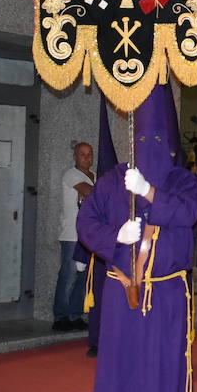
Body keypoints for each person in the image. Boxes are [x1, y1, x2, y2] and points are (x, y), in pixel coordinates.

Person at [78, 83, 197, 392]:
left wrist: (148, 192)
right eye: (142, 138)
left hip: (165, 294)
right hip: (121, 292)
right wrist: (117, 237)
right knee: (120, 372)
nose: (149, 145)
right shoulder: (113, 180)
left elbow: (186, 214)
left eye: (157, 139)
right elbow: (86, 224)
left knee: (164, 372)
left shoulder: (182, 179)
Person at [78, 98, 120, 355]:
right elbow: (87, 226)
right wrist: (80, 256)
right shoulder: (94, 196)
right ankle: (96, 341)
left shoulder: (122, 198)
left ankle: (114, 341)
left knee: (114, 304)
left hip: (117, 258)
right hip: (98, 260)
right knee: (97, 303)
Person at [53, 142, 96, 332]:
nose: (86, 158)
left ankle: (75, 314)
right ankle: (60, 316)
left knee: (83, 277)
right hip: (71, 234)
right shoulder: (71, 174)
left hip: (88, 233)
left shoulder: (95, 176)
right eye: (82, 154)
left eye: (89, 154)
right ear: (75, 157)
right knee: (68, 276)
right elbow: (89, 192)